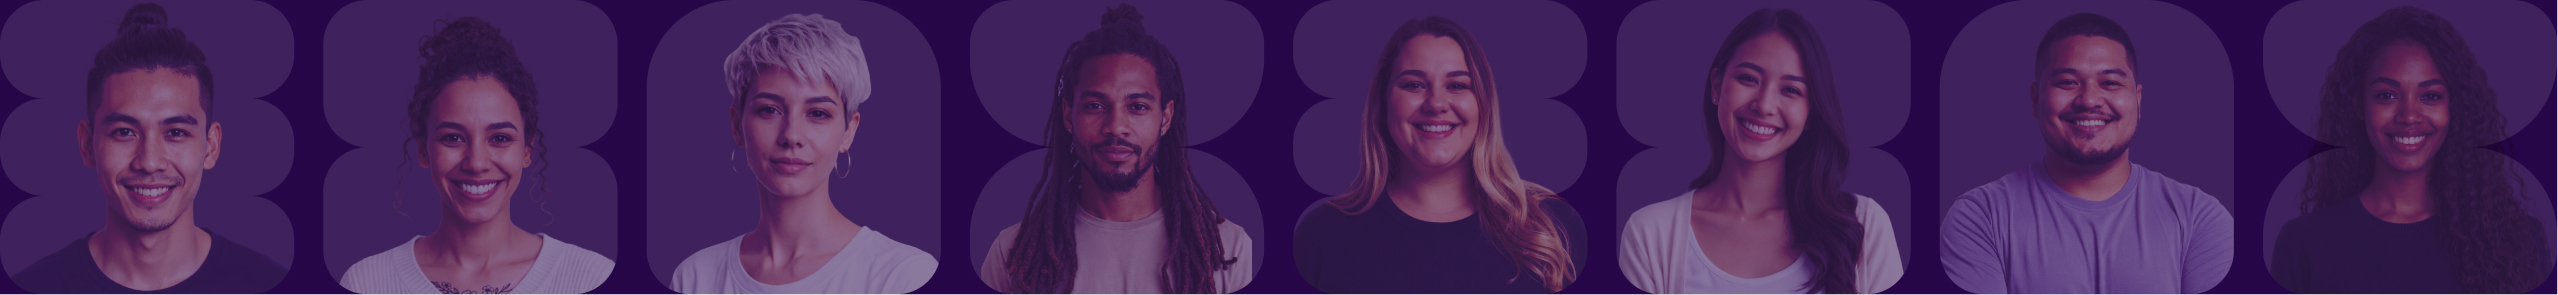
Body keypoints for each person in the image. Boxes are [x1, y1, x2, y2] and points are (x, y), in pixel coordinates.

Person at [1938, 13, 2232, 294]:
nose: (2090, 99)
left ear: (2138, 101)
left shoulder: (2199, 219)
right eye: (2067, 82)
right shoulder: (1980, 217)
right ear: (2035, 98)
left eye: (2110, 83)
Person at [1292, 15, 1587, 294]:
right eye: (1414, 85)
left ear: (1483, 104)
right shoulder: (1321, 236)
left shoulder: (1552, 228)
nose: (1436, 103)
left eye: (1457, 85)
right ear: (1383, 104)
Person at [1616, 9, 1900, 294]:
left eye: (1790, 90)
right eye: (1749, 79)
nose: (1764, 105)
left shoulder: (1864, 225)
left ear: (1811, 113)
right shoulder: (1650, 235)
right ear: (1716, 86)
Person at [7, 3, 286, 293]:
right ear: (88, 144)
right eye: (124, 132)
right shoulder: (31, 288)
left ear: (210, 147)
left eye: (176, 132)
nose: (150, 162)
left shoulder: (272, 285)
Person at [2271, 6, 2551, 293]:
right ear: (2359, 106)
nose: (2409, 116)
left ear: (2454, 107)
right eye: (2387, 95)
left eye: (2430, 96)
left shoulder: (2516, 241)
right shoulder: (2303, 243)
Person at [978, 4, 1253, 293]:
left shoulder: (1228, 250)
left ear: (1166, 117)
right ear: (1068, 115)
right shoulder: (1012, 255)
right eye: (1095, 106)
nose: (1116, 126)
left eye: (1137, 107)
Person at [335, 17, 614, 294]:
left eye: (500, 138)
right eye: (453, 138)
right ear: (423, 149)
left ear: (527, 150)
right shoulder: (366, 284)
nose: (477, 163)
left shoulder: (593, 279)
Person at [667, 14, 936, 294]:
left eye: (818, 113)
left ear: (848, 132)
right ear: (737, 125)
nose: (791, 136)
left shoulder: (904, 275)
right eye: (769, 110)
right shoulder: (695, 278)